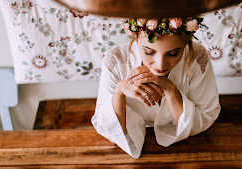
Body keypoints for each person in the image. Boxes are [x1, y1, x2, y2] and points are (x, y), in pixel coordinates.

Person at [91, 17, 221, 158]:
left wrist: (170, 89)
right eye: (149, 52)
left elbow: (202, 120)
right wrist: (119, 91)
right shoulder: (116, 59)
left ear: (185, 45)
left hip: (186, 151)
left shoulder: (196, 57)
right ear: (135, 40)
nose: (160, 65)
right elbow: (111, 131)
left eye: (173, 53)